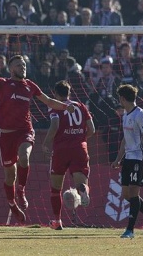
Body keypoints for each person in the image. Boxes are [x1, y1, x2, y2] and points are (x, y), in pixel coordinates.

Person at [0, 55, 74, 224]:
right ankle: (13, 204)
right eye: (18, 65)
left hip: (25, 131)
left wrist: (66, 106)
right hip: (6, 135)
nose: (22, 67)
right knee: (9, 176)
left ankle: (21, 190)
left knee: (24, 155)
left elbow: (49, 101)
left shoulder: (30, 85)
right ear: (11, 69)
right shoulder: (2, 83)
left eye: (23, 64)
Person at [111, 85, 143, 238]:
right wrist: (117, 159)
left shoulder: (141, 114)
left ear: (123, 98)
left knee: (134, 193)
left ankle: (130, 230)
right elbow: (124, 141)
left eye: (119, 97)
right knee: (127, 195)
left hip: (138, 159)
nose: (119, 100)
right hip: (127, 159)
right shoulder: (126, 115)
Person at [42, 81, 95, 230]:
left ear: (55, 94)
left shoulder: (55, 106)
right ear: (69, 92)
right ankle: (83, 191)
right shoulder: (81, 106)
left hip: (61, 149)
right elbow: (92, 129)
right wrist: (80, 139)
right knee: (81, 184)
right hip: (79, 148)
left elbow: (55, 125)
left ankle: (57, 221)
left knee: (55, 189)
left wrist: (46, 142)